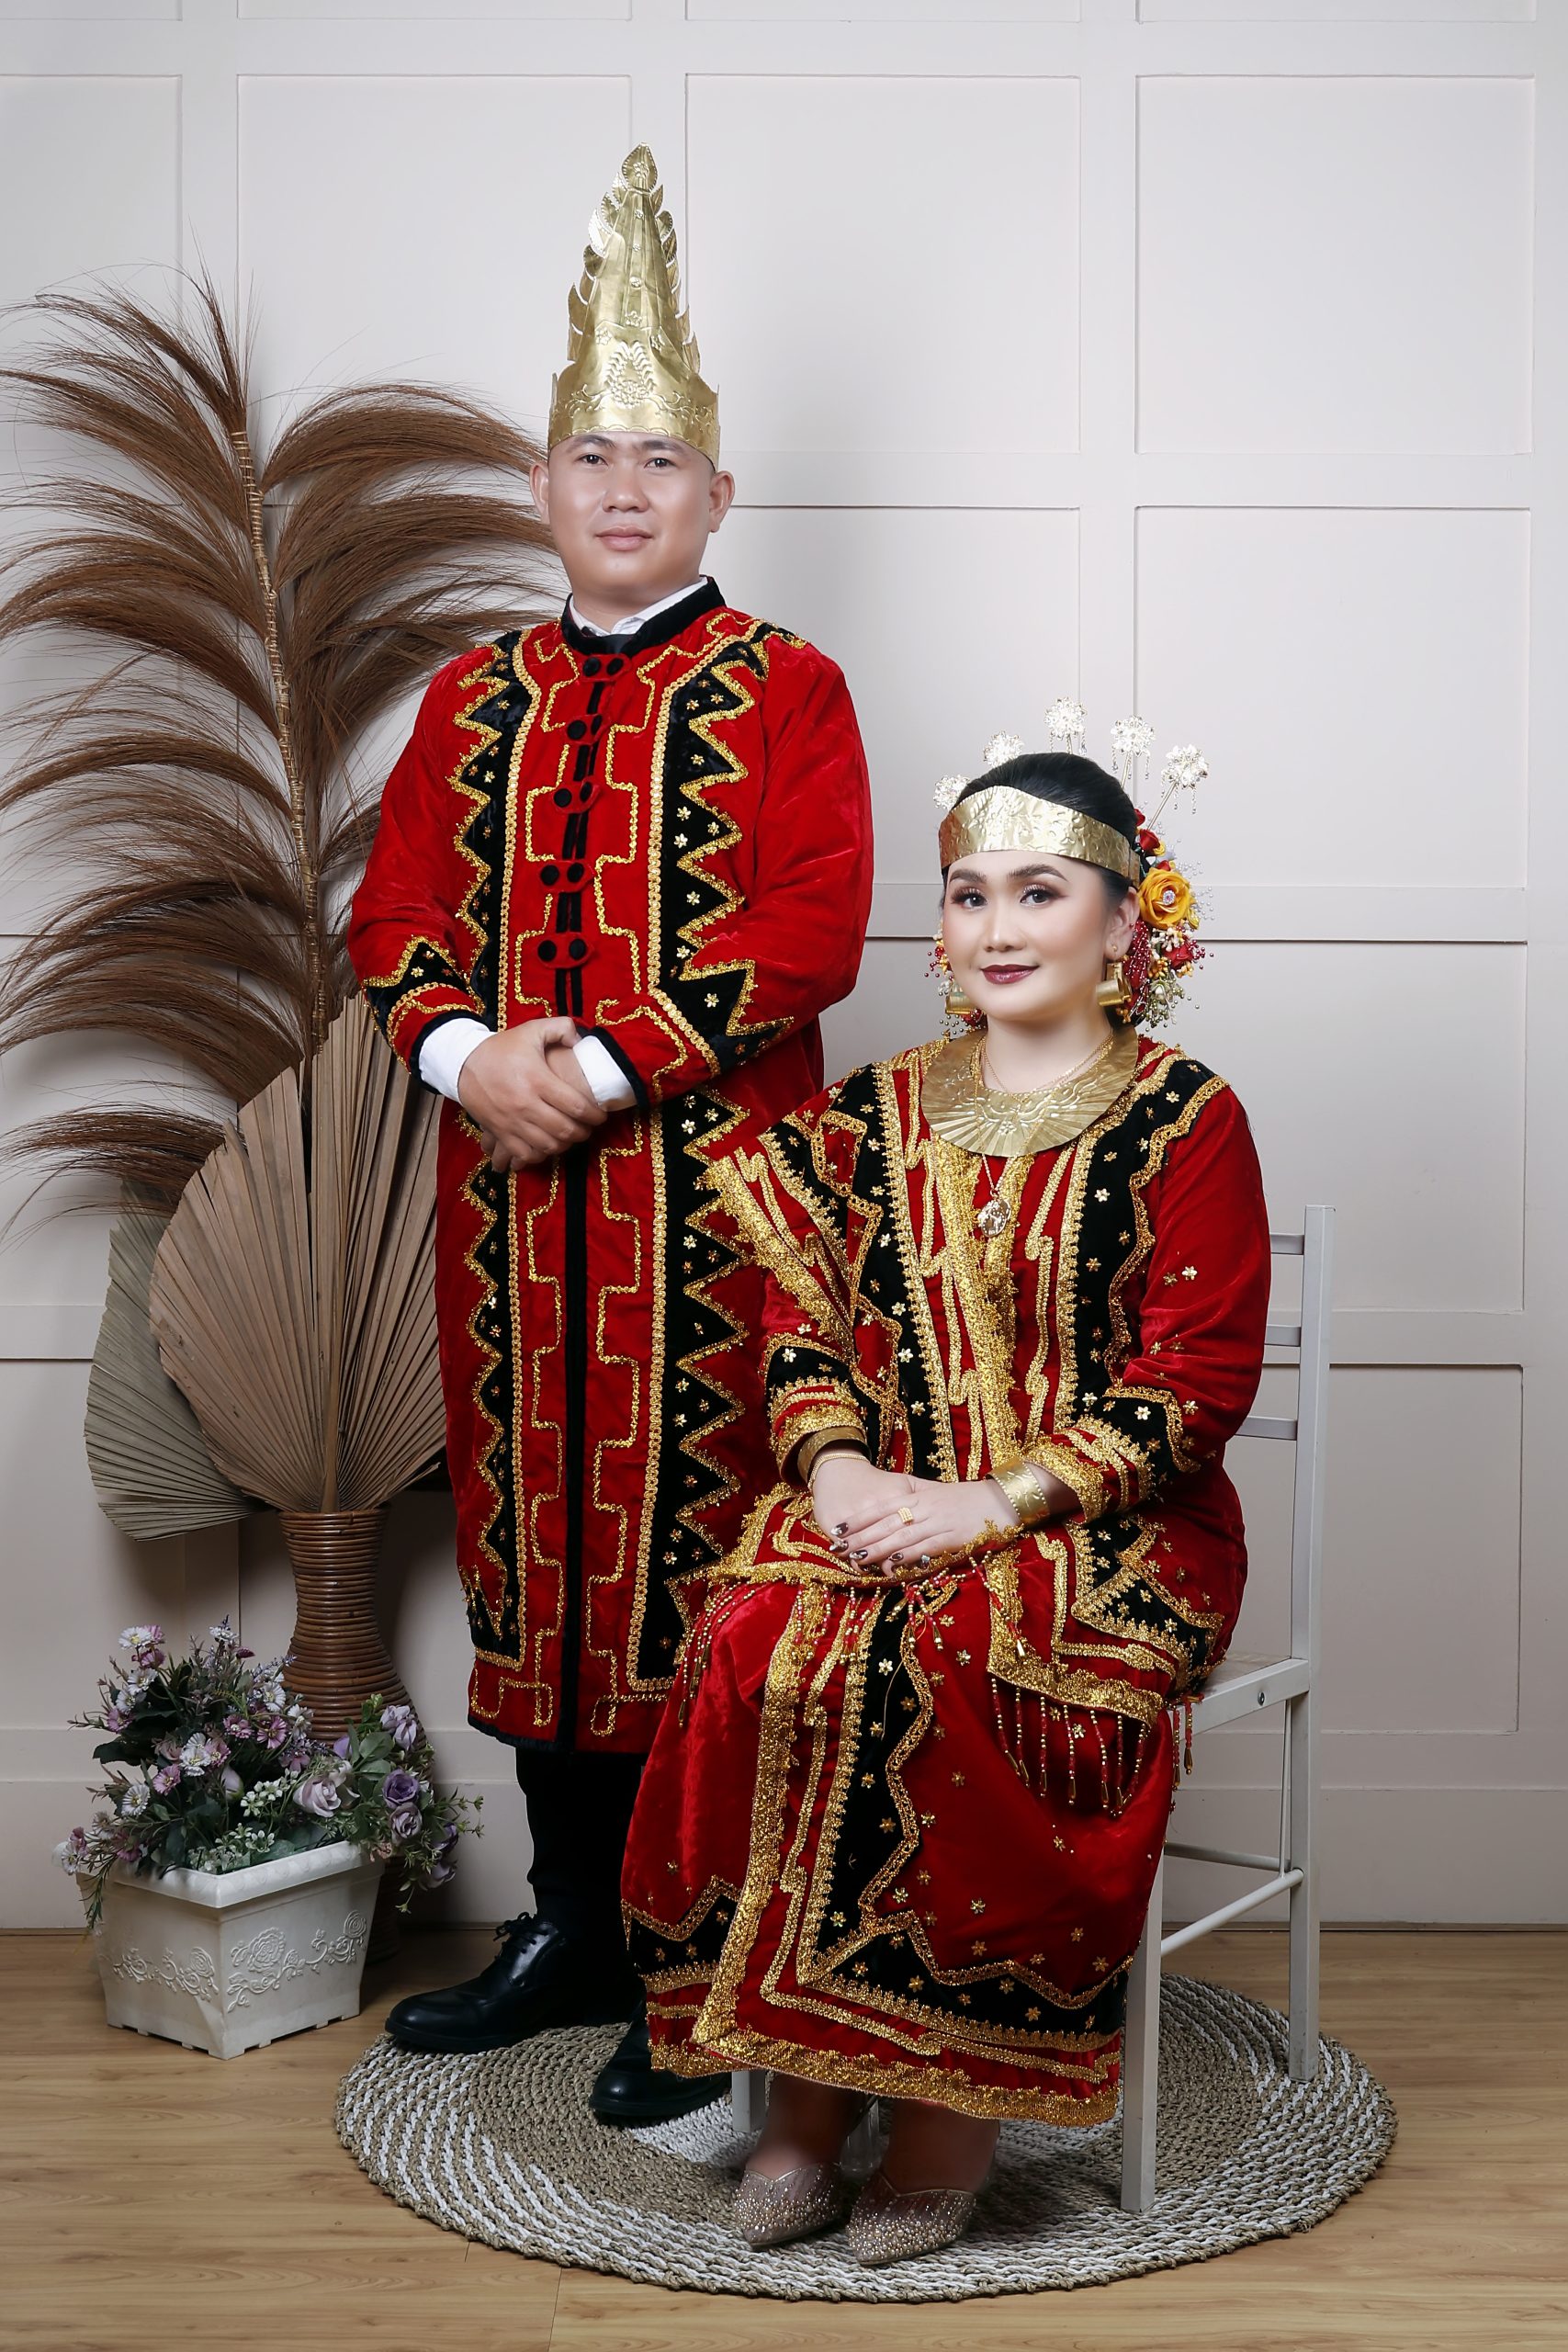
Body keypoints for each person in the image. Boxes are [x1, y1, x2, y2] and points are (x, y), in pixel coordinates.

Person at [347, 147, 873, 2123]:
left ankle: (694, 1954)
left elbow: (810, 926)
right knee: (536, 1560)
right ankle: (570, 1921)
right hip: (505, 1226)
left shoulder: (790, 686)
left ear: (718, 492)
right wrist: (464, 1053)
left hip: (722, 1212)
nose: (626, 486)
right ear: (540, 486)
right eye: (593, 456)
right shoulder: (466, 697)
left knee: (703, 1562)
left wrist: (609, 1067)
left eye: (661, 458)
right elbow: (391, 920)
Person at [620, 712, 1270, 2259]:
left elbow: (1192, 1384)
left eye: (1041, 893)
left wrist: (990, 1505)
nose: (999, 926)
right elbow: (800, 1323)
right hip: (889, 1493)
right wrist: (840, 1466)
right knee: (758, 1638)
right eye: (971, 894)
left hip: (1111, 1523)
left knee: (961, 1650)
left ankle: (945, 2112)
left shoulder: (1187, 1118)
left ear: (1124, 925)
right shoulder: (874, 1111)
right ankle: (800, 2097)